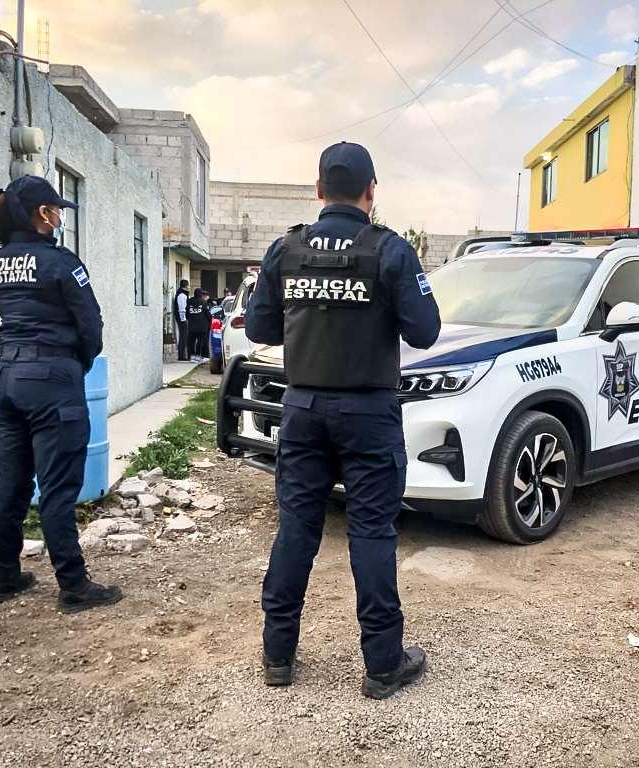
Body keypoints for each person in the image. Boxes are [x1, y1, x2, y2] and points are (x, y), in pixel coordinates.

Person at [245, 141, 441, 699]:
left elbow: (259, 329)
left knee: (297, 529)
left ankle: (278, 654)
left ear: (318, 190)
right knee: (371, 532)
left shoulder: (286, 249)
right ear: (371, 191)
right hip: (369, 414)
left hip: (303, 411)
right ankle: (383, 664)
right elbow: (425, 330)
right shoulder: (390, 250)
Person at [0, 175, 123, 613]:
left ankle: (4, 576)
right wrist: (77, 363)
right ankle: (74, 585)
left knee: (12, 480)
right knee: (58, 486)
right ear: (43, 214)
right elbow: (91, 325)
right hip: (51, 380)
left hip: (5, 376)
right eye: (57, 209)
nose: (61, 216)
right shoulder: (60, 263)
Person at [187, 287, 209, 361]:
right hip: (202, 326)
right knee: (201, 342)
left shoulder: (189, 301)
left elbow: (187, 313)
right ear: (201, 294)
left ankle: (192, 357)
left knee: (191, 342)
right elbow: (207, 313)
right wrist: (210, 319)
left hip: (192, 326)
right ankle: (200, 356)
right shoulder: (203, 302)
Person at [173, 279, 190, 362]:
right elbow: (182, 309)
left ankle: (183, 354)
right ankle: (181, 355)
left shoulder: (182, 294)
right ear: (186, 286)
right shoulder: (182, 295)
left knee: (184, 336)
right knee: (183, 336)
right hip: (182, 319)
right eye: (188, 285)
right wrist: (183, 319)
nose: (189, 287)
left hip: (182, 318)